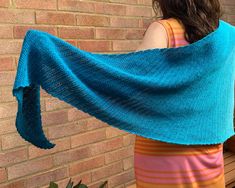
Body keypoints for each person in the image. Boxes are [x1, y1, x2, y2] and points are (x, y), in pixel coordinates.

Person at [134, 0, 230, 187]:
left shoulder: (162, 30)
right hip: (210, 163)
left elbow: (135, 87)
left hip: (163, 159)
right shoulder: (227, 36)